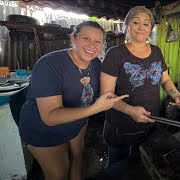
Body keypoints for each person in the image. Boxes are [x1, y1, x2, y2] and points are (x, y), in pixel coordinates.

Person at [19, 21, 128, 180]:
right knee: (59, 173)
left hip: (78, 121)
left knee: (77, 156)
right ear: (73, 38)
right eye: (86, 38)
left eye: (98, 41)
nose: (93, 45)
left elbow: (101, 93)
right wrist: (96, 108)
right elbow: (50, 116)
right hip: (44, 129)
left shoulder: (96, 64)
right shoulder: (49, 64)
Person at [100, 6, 180, 178]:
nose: (141, 27)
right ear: (126, 26)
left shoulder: (156, 52)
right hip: (121, 126)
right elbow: (106, 96)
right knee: (117, 168)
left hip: (149, 122)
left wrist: (177, 95)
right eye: (136, 22)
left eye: (146, 24)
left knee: (139, 165)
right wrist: (129, 110)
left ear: (150, 29)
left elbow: (165, 80)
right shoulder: (115, 54)